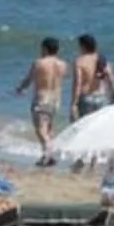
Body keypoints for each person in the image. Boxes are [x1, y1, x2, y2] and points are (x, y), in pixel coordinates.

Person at [25, 37, 67, 166]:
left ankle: (49, 154)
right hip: (56, 100)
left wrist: (20, 88)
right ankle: (46, 155)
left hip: (42, 98)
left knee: (40, 130)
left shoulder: (39, 63)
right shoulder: (63, 64)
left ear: (44, 48)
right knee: (49, 129)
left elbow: (29, 79)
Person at [70, 34, 109, 119]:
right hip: (101, 97)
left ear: (83, 46)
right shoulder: (102, 59)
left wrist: (74, 103)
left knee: (84, 127)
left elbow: (78, 83)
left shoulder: (80, 61)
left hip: (86, 98)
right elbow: (110, 77)